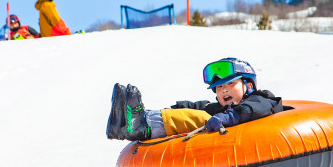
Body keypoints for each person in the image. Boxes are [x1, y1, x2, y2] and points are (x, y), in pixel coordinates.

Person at [106, 57, 283, 141]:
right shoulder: (218, 110)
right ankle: (126, 122)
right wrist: (174, 109)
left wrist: (226, 117)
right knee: (198, 112)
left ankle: (140, 126)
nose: (224, 90)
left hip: (255, 141)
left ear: (249, 85)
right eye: (219, 87)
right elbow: (199, 107)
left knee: (203, 119)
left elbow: (253, 109)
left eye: (230, 84)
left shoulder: (263, 98)